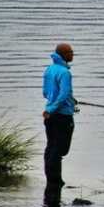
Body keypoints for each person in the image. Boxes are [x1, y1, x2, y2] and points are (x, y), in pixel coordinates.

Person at [42, 43, 76, 187]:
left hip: (49, 116)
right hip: (62, 116)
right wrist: (55, 107)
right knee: (60, 149)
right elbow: (63, 94)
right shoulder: (65, 72)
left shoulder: (49, 69)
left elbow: (45, 92)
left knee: (51, 146)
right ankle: (55, 180)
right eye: (70, 52)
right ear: (63, 54)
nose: (72, 54)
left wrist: (50, 108)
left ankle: (51, 179)